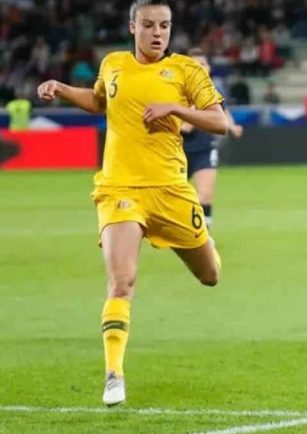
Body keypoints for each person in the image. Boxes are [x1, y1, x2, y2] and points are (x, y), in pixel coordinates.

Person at [36, 0, 228, 407]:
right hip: (120, 189)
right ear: (132, 27)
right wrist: (62, 89)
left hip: (172, 191)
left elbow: (220, 122)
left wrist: (176, 108)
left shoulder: (186, 71)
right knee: (122, 282)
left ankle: (196, 238)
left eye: (165, 26)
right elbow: (99, 101)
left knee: (211, 275)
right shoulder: (113, 64)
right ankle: (113, 375)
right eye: (149, 25)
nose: (158, 33)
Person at [183, 47, 244, 229]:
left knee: (206, 195)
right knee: (168, 197)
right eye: (195, 64)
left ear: (208, 67)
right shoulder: (177, 91)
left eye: (203, 63)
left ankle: (203, 237)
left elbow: (222, 111)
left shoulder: (211, 90)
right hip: (178, 152)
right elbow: (184, 127)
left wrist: (232, 126)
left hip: (204, 148)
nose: (200, 67)